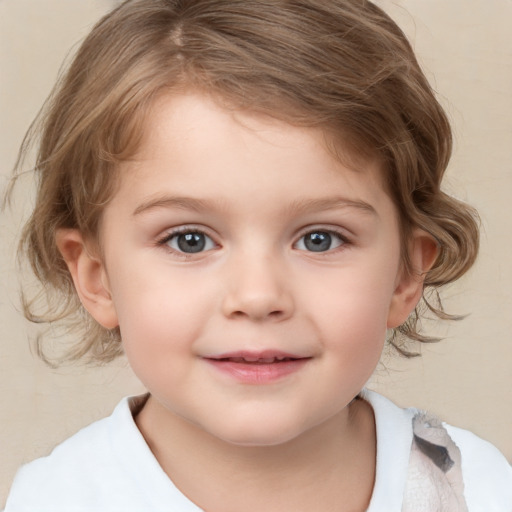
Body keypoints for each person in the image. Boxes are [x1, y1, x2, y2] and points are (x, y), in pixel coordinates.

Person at [3, 0, 511, 510]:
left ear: (406, 272)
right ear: (96, 277)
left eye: (320, 238)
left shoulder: (472, 487)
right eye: (189, 240)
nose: (258, 296)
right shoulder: (56, 499)